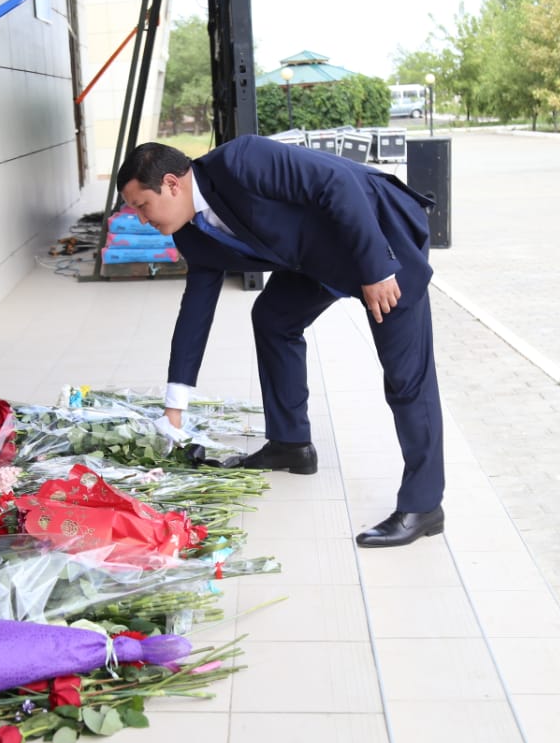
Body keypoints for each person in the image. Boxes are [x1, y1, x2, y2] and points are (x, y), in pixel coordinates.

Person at [116, 137, 445, 549]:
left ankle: (424, 505)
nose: (141, 220)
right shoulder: (190, 234)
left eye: (142, 206)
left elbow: (338, 183)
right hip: (315, 255)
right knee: (274, 318)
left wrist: (377, 268)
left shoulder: (243, 161)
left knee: (406, 375)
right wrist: (174, 410)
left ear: (171, 184)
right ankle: (291, 444)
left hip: (378, 235)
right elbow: (194, 315)